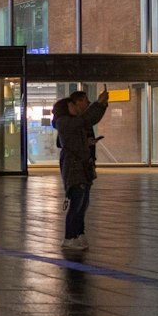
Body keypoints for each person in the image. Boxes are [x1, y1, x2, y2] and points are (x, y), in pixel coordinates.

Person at [53, 88, 108, 250]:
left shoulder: (71, 122)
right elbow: (86, 120)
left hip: (82, 165)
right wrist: (99, 104)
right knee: (77, 202)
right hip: (74, 166)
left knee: (83, 203)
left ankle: (78, 233)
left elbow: (84, 124)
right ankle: (70, 236)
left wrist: (87, 143)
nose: (76, 108)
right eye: (72, 105)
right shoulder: (64, 121)